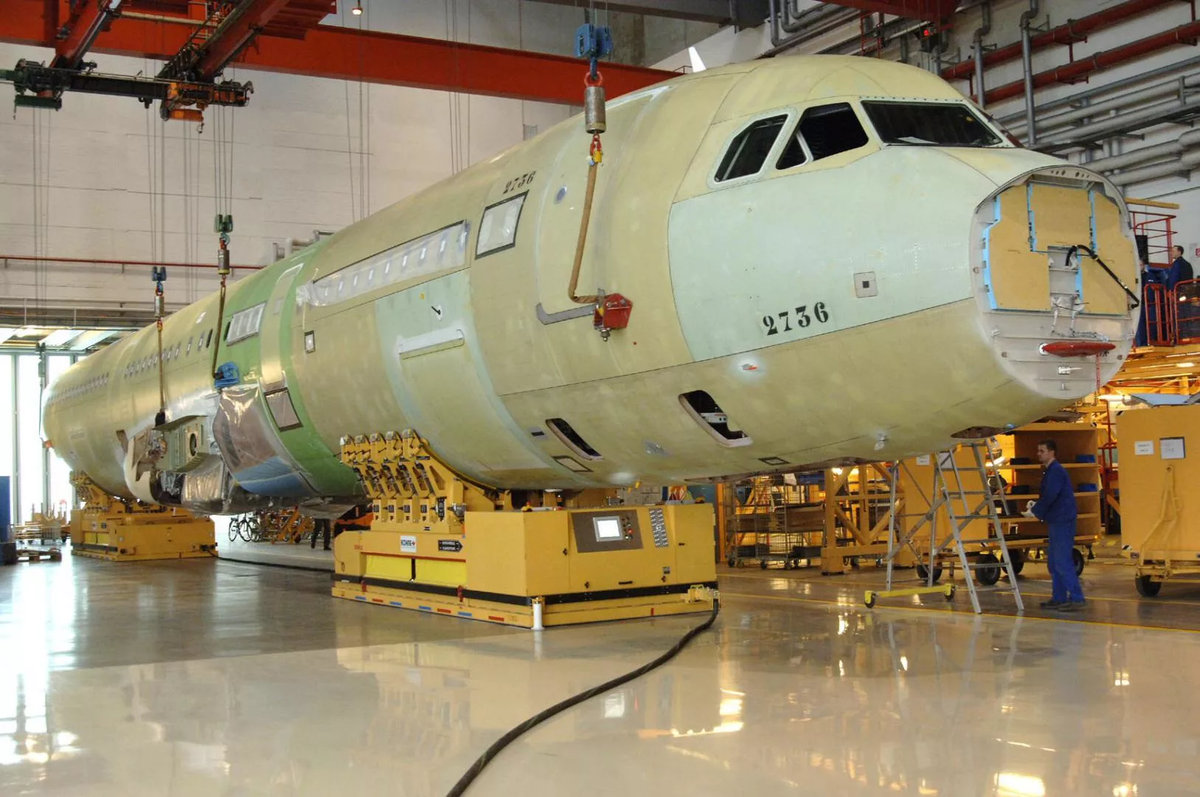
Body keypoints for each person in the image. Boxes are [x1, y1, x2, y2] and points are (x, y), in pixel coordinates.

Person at [1023, 439, 1084, 611]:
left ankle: (1077, 598)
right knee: (1054, 561)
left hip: (1062, 521)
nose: (1038, 454)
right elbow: (1049, 496)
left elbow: (1050, 495)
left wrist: (1036, 511)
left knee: (1062, 561)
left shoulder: (1056, 471)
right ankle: (1059, 597)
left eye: (1041, 451)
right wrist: (1036, 507)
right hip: (1056, 520)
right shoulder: (1050, 471)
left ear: (1051, 452)